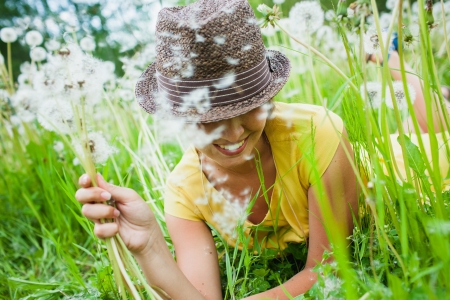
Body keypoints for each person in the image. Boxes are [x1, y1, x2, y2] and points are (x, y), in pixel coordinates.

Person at [76, 0, 357, 299]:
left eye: (249, 106)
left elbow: (329, 271)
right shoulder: (186, 190)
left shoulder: (317, 134)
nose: (234, 133)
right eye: (210, 118)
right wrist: (149, 246)